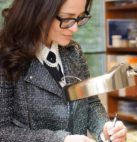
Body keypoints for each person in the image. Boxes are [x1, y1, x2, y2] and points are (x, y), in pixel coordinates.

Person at [0, 0, 127, 142]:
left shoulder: (73, 51)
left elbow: (90, 103)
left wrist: (105, 129)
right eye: (67, 18)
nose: (75, 28)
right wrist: (61, 139)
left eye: (79, 18)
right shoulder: (5, 56)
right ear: (38, 13)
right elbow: (3, 131)